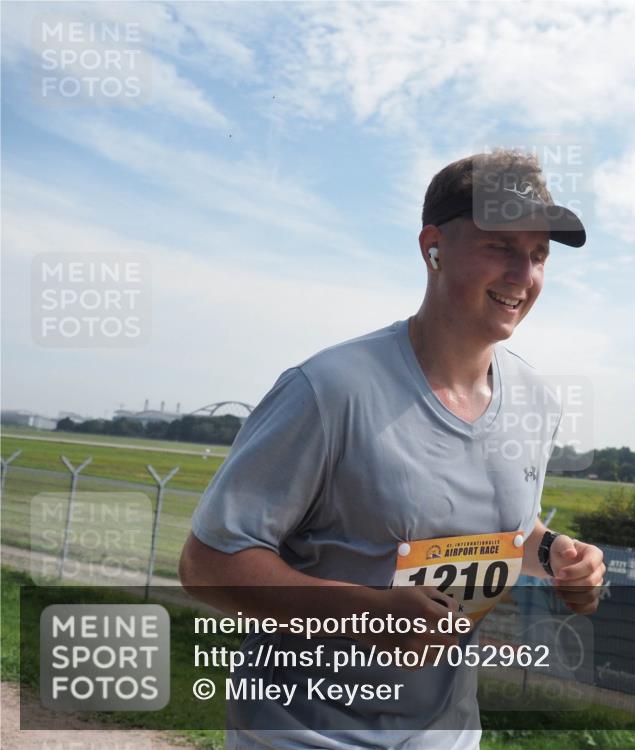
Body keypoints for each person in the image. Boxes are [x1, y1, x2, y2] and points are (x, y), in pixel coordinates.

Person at [178, 149, 606, 749]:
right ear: (433, 245)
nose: (522, 275)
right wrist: (366, 611)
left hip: (446, 733)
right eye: (499, 247)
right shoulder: (329, 389)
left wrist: (558, 553)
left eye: (538, 256)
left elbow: (507, 527)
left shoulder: (537, 400)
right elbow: (207, 565)